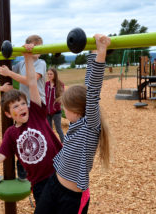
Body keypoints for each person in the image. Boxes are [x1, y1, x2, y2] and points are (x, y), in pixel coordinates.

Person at [0, 43, 62, 203]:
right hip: (39, 183)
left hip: (59, 173)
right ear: (8, 114)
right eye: (15, 106)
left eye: (22, 103)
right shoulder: (12, 133)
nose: (21, 107)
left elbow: (33, 83)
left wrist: (27, 57)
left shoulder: (36, 112)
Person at [34, 34, 111, 214]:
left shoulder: (90, 127)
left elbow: (92, 92)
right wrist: (92, 52)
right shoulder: (77, 123)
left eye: (65, 107)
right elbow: (87, 87)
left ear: (76, 110)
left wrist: (101, 53)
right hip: (54, 183)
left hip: (71, 198)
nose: (63, 110)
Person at [0, 35, 46, 180]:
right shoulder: (21, 64)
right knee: (21, 135)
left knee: (34, 134)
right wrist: (14, 50)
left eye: (38, 48)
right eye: (33, 47)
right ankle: (22, 166)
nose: (35, 51)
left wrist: (9, 73)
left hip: (36, 104)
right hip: (22, 105)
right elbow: (7, 68)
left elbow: (29, 81)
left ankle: (35, 165)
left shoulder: (40, 63)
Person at [45, 67, 64, 143]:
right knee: (49, 130)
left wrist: (57, 103)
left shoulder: (60, 84)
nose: (49, 75)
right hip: (47, 112)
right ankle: (52, 144)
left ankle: (64, 143)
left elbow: (62, 97)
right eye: (48, 74)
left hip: (56, 112)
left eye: (51, 74)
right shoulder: (46, 84)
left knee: (58, 129)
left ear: (55, 75)